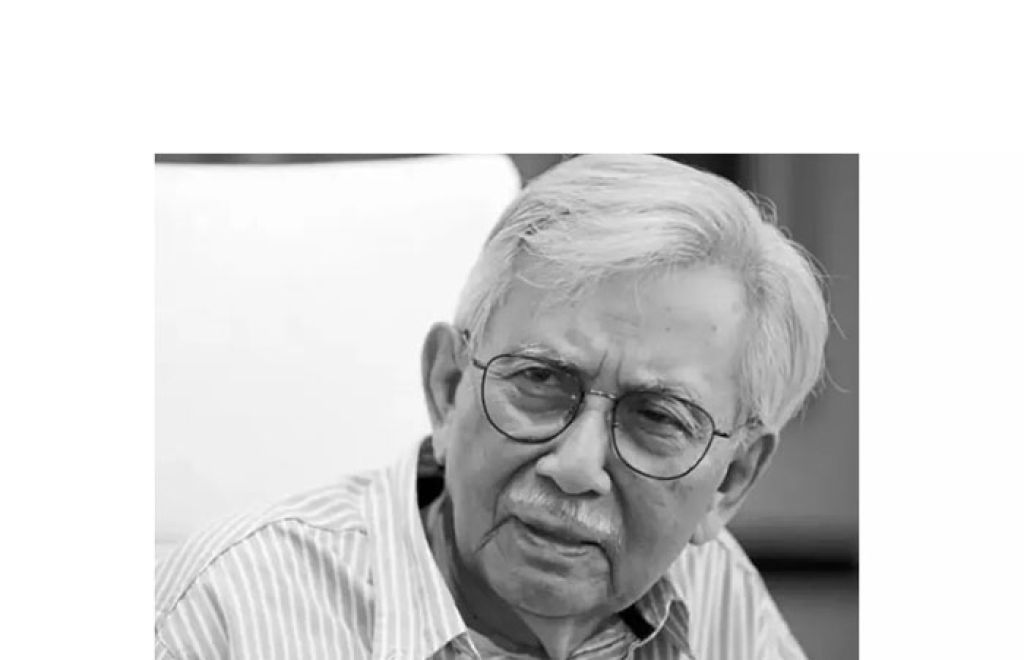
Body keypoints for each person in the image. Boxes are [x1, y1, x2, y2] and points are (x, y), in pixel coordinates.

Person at [155, 154, 828, 659]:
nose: (575, 467)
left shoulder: (713, 590)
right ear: (449, 388)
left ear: (732, 479)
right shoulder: (229, 611)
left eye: (657, 418)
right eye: (539, 380)